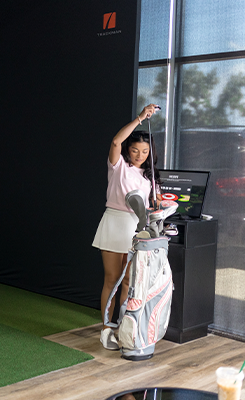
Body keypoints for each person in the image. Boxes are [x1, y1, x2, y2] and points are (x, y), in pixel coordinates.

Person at [92, 104, 162, 350]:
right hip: (114, 223)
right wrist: (141, 118)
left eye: (144, 151)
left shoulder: (149, 177)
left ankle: (122, 326)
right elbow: (115, 141)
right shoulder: (118, 166)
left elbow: (152, 206)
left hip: (135, 229)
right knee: (111, 279)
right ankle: (105, 328)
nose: (140, 155)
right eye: (135, 150)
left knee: (128, 283)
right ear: (128, 151)